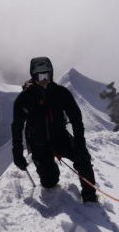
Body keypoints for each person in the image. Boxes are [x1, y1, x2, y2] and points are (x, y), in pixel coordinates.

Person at [11, 57, 98, 203]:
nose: (44, 79)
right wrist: (17, 152)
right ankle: (50, 169)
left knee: (83, 159)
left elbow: (76, 120)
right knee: (49, 182)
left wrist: (80, 144)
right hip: (38, 144)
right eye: (39, 76)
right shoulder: (25, 99)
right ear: (34, 77)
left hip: (60, 137)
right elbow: (17, 126)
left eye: (47, 75)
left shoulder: (61, 93)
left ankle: (90, 197)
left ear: (51, 74)